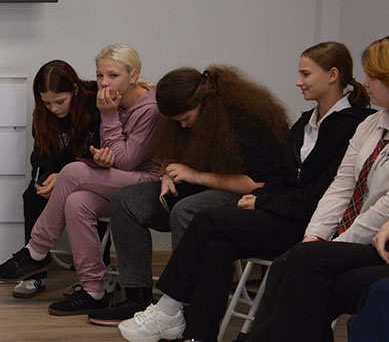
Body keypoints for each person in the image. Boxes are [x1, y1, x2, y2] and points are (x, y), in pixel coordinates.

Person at [114, 42, 374, 342]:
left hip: (311, 224)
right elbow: (281, 175)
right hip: (282, 212)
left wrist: (264, 201)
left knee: (207, 220)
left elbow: (322, 193)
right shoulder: (306, 122)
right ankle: (197, 335)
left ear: (332, 75)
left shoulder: (353, 125)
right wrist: (263, 199)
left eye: (305, 74)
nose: (298, 81)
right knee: (216, 247)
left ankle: (168, 307)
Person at [97, 64, 289, 331]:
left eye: (186, 117)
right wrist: (167, 174)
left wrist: (196, 175)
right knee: (125, 200)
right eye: (176, 121)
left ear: (205, 104)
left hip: (245, 195)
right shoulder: (181, 122)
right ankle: (137, 297)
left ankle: (183, 305)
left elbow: (258, 183)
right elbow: (170, 156)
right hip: (198, 184)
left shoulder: (247, 122)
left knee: (187, 210)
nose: (183, 125)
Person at [237, 36, 389, 342]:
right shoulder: (371, 124)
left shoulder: (353, 120)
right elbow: (341, 187)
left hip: (375, 241)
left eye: (371, 76)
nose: (364, 82)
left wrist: (336, 245)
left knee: (307, 269)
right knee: (290, 264)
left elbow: (384, 207)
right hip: (352, 237)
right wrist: (315, 236)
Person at [0, 44, 162, 315]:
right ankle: (94, 289)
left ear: (133, 75)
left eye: (113, 75)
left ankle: (36, 250)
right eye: (100, 75)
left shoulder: (147, 108)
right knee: (76, 202)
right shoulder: (113, 102)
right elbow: (114, 155)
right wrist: (103, 157)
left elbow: (127, 161)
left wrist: (108, 116)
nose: (104, 83)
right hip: (124, 181)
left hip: (149, 184)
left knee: (72, 172)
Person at [11, 60, 101, 299]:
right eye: (47, 102)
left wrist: (64, 177)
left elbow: (99, 152)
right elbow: (40, 154)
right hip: (56, 174)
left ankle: (94, 275)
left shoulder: (95, 105)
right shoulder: (43, 114)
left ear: (74, 89)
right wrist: (41, 179)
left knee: (88, 201)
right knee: (33, 196)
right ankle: (35, 273)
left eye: (60, 102)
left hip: (89, 174)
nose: (54, 108)